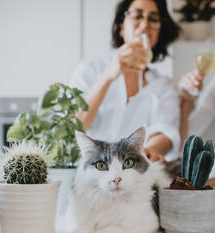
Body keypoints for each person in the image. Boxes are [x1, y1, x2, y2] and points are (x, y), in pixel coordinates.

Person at [69, 0, 181, 162]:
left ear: (159, 32)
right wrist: (107, 77)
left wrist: (149, 151)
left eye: (153, 19)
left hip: (133, 179)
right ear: (121, 27)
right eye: (137, 16)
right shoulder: (89, 71)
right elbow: (73, 127)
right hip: (84, 174)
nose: (144, 26)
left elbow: (165, 131)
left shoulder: (165, 86)